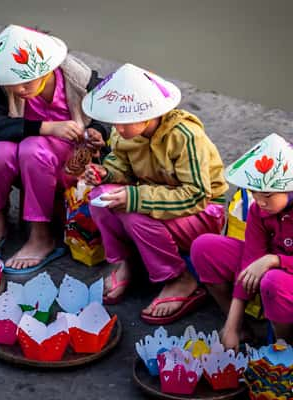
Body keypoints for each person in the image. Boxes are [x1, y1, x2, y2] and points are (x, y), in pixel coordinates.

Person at [83, 63, 228, 324]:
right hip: (158, 200)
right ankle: (126, 262)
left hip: (203, 212)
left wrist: (136, 198)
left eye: (125, 121)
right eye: (116, 120)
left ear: (150, 113)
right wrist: (106, 175)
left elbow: (197, 194)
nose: (118, 127)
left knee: (134, 214)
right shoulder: (123, 131)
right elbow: (122, 167)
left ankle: (179, 278)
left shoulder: (184, 136)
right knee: (99, 198)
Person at [0, 25, 110, 272]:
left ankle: (41, 236)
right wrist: (47, 127)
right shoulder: (5, 86)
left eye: (26, 81)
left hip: (69, 163)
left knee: (32, 148)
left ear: (48, 68)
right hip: (27, 156)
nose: (19, 89)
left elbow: (107, 113)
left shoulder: (79, 79)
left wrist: (99, 131)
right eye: (13, 82)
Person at [191, 133, 293, 349]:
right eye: (254, 193)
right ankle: (240, 329)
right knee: (204, 247)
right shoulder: (259, 209)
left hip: (282, 275)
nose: (259, 202)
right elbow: (250, 262)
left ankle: (284, 345)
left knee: (273, 281)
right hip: (270, 267)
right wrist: (232, 326)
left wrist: (274, 260)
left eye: (267, 195)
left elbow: (265, 263)